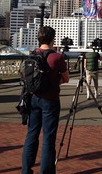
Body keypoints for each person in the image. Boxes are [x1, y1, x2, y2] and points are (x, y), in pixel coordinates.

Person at [22, 26, 69, 174]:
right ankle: (46, 171)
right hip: (50, 100)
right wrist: (55, 82)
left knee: (32, 134)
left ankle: (26, 170)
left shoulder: (32, 55)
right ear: (52, 39)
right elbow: (66, 78)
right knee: (48, 138)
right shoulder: (57, 57)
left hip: (33, 98)